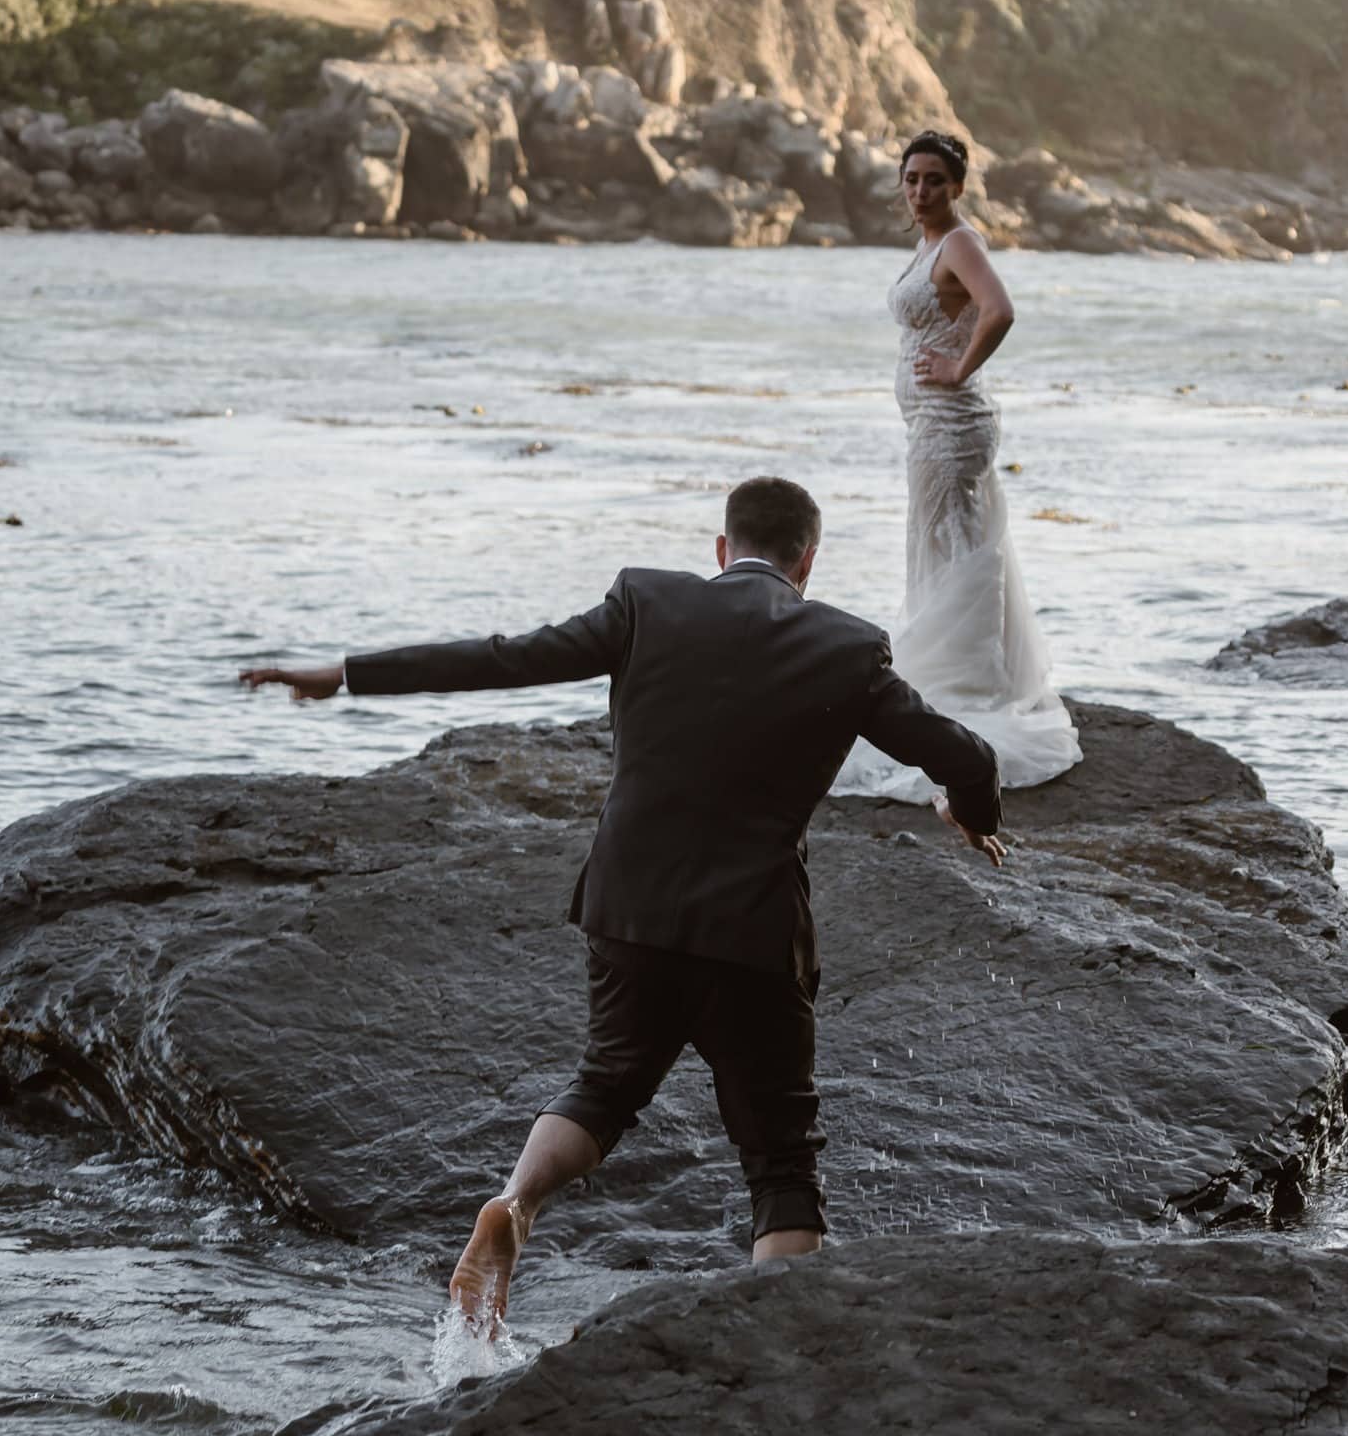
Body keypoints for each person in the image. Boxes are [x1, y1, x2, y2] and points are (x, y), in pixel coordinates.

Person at [240, 476, 1003, 1335]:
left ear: (721, 549)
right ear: (809, 563)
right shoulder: (848, 648)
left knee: (605, 1086)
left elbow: (502, 659)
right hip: (753, 933)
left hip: (628, 909)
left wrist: (344, 674)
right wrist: (967, 818)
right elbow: (968, 758)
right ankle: (774, 1351)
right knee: (781, 1159)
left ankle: (517, 1201)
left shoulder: (647, 601)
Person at [839, 129, 1080, 800]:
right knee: (948, 544)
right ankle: (965, 679)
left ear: (958, 186)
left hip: (953, 423)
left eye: (934, 181)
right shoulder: (927, 245)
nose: (919, 191)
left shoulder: (961, 242)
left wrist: (956, 368)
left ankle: (960, 689)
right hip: (930, 423)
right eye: (911, 179)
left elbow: (999, 310)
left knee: (953, 547)